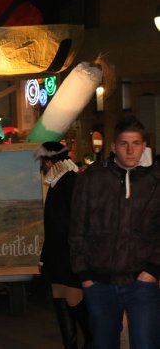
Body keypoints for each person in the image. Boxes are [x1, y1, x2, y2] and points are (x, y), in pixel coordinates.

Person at [69, 115, 160, 349]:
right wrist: (84, 275)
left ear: (144, 145)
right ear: (113, 147)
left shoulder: (154, 180)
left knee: (146, 343)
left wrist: (152, 270)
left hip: (141, 281)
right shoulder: (92, 178)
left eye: (136, 143)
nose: (130, 151)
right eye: (124, 144)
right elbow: (77, 226)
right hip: (99, 283)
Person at [35, 142, 91, 349]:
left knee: (74, 300)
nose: (42, 165)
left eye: (43, 161)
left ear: (49, 162)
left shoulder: (70, 183)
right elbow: (53, 227)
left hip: (70, 257)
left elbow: (75, 224)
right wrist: (44, 256)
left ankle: (92, 341)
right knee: (60, 298)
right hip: (57, 258)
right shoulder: (58, 183)